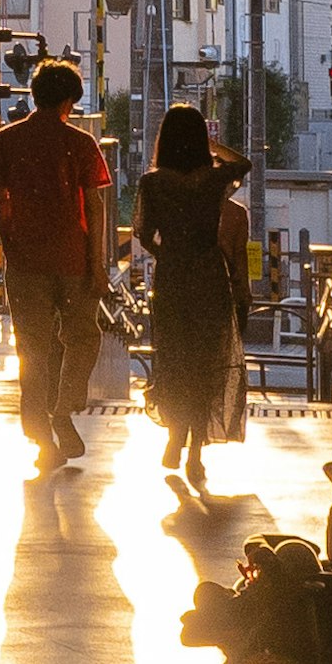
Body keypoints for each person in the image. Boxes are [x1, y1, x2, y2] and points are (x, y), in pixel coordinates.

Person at [0, 53, 110, 467]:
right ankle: (62, 409)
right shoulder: (81, 144)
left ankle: (40, 436)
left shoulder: (3, 141)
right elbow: (94, 208)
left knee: (33, 350)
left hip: (24, 263)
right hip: (73, 259)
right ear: (68, 103)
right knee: (83, 339)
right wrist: (98, 265)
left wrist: (11, 248)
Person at [134, 103, 248, 505]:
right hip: (208, 273)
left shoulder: (153, 183)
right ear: (200, 140)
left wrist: (167, 252)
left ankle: (173, 434)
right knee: (206, 359)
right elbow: (245, 163)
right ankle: (196, 452)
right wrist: (215, 146)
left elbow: (144, 234)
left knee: (174, 355)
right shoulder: (214, 179)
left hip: (174, 274)